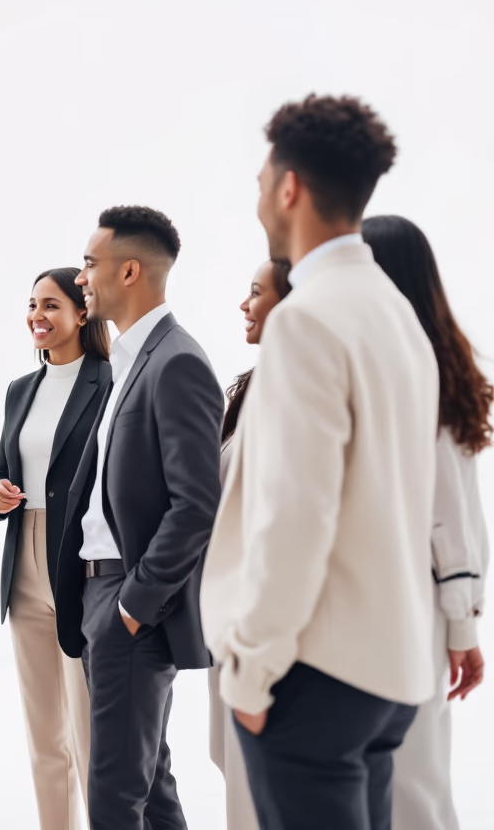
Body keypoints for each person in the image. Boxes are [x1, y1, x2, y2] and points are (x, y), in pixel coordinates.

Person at [202, 95, 438, 830]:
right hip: (388, 669)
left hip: (312, 672)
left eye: (261, 175)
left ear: (289, 187)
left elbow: (293, 517)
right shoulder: (395, 312)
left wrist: (250, 671)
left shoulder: (306, 320)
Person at [59, 205, 222, 830]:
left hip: (129, 600)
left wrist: (134, 603)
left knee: (113, 795)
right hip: (102, 592)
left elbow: (195, 503)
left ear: (130, 271)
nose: (82, 277)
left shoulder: (176, 360)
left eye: (90, 264)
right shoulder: (130, 358)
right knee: (149, 786)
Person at [362, 214, 489, 830]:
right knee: (401, 776)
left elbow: (453, 517)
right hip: (397, 602)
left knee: (413, 782)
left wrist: (463, 628)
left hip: (415, 602)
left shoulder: (421, 371)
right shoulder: (409, 362)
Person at [0, 268, 110, 830]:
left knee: (89, 734)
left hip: (81, 564)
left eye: (51, 305)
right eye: (32, 304)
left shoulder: (109, 381)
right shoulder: (20, 389)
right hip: (25, 567)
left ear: (82, 314)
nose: (37, 315)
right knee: (43, 735)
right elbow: (1, 474)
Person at [206, 259, 291, 830]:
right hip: (227, 613)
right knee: (232, 763)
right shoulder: (246, 389)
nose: (244, 304)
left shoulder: (299, 397)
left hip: (265, 619)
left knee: (266, 778)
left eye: (256, 293)